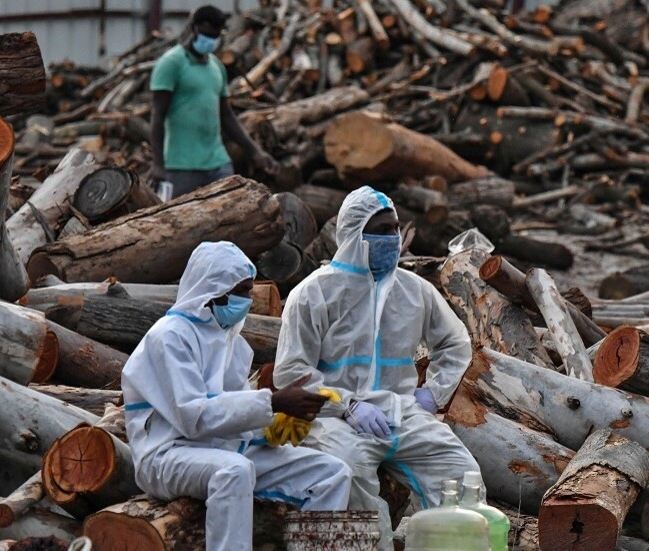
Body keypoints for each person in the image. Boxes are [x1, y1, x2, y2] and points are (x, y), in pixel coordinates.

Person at [273, 186, 482, 551]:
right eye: (381, 230)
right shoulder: (313, 293)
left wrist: (433, 393)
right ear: (354, 234)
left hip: (402, 411)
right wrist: (346, 405)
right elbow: (292, 372)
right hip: (333, 419)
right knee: (348, 475)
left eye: (395, 229)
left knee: (459, 472)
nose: (393, 238)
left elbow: (455, 342)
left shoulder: (414, 290)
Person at [122, 241, 351, 551]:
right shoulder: (170, 337)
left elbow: (233, 413)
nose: (247, 299)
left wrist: (273, 426)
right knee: (234, 471)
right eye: (241, 290)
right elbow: (195, 418)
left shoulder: (231, 342)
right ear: (213, 289)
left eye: (248, 290)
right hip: (166, 455)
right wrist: (273, 402)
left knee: (332, 472)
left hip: (225, 447)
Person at [149, 5, 279, 198]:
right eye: (206, 34)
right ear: (193, 29)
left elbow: (227, 116)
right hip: (181, 167)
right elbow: (158, 116)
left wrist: (255, 152)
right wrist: (158, 164)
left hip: (218, 164)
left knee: (229, 216)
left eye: (215, 36)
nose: (210, 40)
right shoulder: (171, 64)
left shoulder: (216, 67)